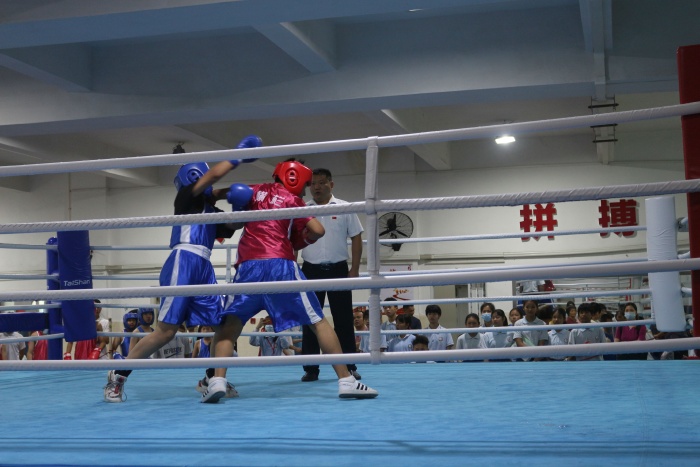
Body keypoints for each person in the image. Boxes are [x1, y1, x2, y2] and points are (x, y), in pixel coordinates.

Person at [204, 159, 378, 403]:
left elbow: (227, 191)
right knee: (318, 321)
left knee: (229, 326)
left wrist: (209, 195)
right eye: (306, 185)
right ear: (295, 179)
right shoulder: (293, 200)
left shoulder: (255, 190)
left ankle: (217, 381)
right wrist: (300, 240)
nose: (306, 190)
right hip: (281, 265)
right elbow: (318, 230)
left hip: (248, 266)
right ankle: (347, 380)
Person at [104, 135, 262, 403]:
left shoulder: (211, 211)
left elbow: (234, 225)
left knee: (222, 325)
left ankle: (211, 378)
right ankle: (118, 375)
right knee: (166, 331)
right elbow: (212, 179)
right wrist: (236, 158)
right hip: (183, 260)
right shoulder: (186, 198)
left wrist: (241, 201)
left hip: (204, 266)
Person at [300, 168, 364, 382]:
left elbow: (356, 237)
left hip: (339, 269)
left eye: (321, 182)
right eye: (313, 183)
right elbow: (292, 238)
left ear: (331, 184)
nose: (316, 187)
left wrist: (354, 269)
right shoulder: (303, 209)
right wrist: (292, 268)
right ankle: (311, 368)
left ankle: (349, 366)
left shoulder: (345, 207)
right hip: (310, 269)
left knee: (344, 319)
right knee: (310, 320)